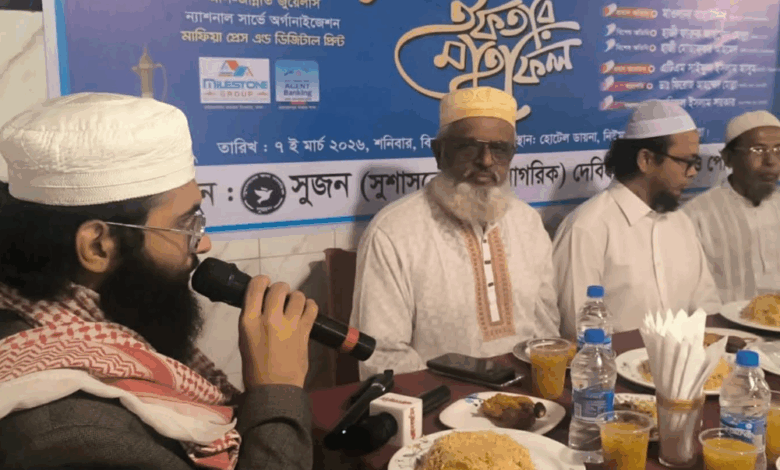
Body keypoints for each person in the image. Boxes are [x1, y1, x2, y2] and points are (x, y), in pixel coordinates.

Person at [0, 93, 318, 470]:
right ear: (99, 246)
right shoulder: (75, 435)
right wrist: (276, 389)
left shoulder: (91, 329)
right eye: (186, 224)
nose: (203, 243)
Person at [349, 86, 560, 380]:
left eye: (500, 149)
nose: (486, 161)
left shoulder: (528, 223)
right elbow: (382, 356)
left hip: (524, 392)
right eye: (469, 147)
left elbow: (546, 333)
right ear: (439, 153)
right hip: (438, 398)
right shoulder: (393, 232)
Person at [552, 100, 721, 339]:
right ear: (646, 160)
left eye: (696, 163)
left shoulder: (681, 223)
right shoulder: (586, 228)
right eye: (686, 162)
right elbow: (578, 328)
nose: (693, 172)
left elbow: (706, 306)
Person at [684, 111, 780, 303]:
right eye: (758, 150)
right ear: (728, 158)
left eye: (778, 150)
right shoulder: (695, 215)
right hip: (722, 320)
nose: (771, 161)